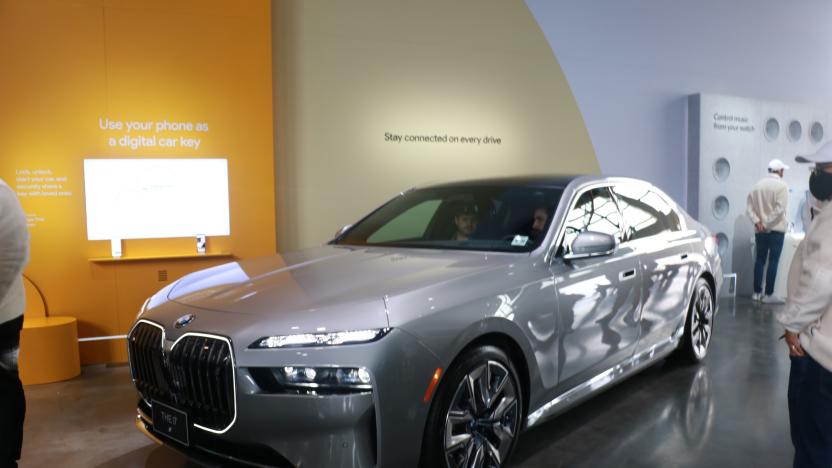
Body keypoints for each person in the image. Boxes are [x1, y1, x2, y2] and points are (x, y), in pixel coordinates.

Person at [777, 143, 832, 468]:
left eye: (821, 170)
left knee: (814, 445)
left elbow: (822, 279)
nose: (815, 178)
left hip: (823, 357)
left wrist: (792, 326)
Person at [0, 177, 29, 468]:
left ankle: (5, 457)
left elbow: (13, 253)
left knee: (4, 385)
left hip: (2, 317)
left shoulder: (0, 194)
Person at [746, 158, 790, 304]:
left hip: (760, 230)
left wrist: (758, 222)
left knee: (760, 260)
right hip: (776, 229)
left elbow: (749, 209)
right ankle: (769, 294)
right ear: (779, 171)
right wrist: (766, 223)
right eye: (783, 170)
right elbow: (780, 209)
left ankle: (756, 292)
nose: (783, 172)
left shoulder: (756, 186)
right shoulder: (782, 186)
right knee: (773, 261)